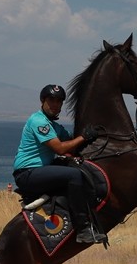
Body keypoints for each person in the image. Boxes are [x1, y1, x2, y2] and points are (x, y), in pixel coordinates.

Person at [12, 84, 105, 244]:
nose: (55, 104)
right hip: (27, 173)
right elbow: (60, 148)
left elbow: (71, 142)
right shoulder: (38, 121)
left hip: (40, 171)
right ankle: (83, 229)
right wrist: (84, 137)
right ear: (43, 101)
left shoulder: (54, 126)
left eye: (59, 101)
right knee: (73, 175)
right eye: (51, 100)